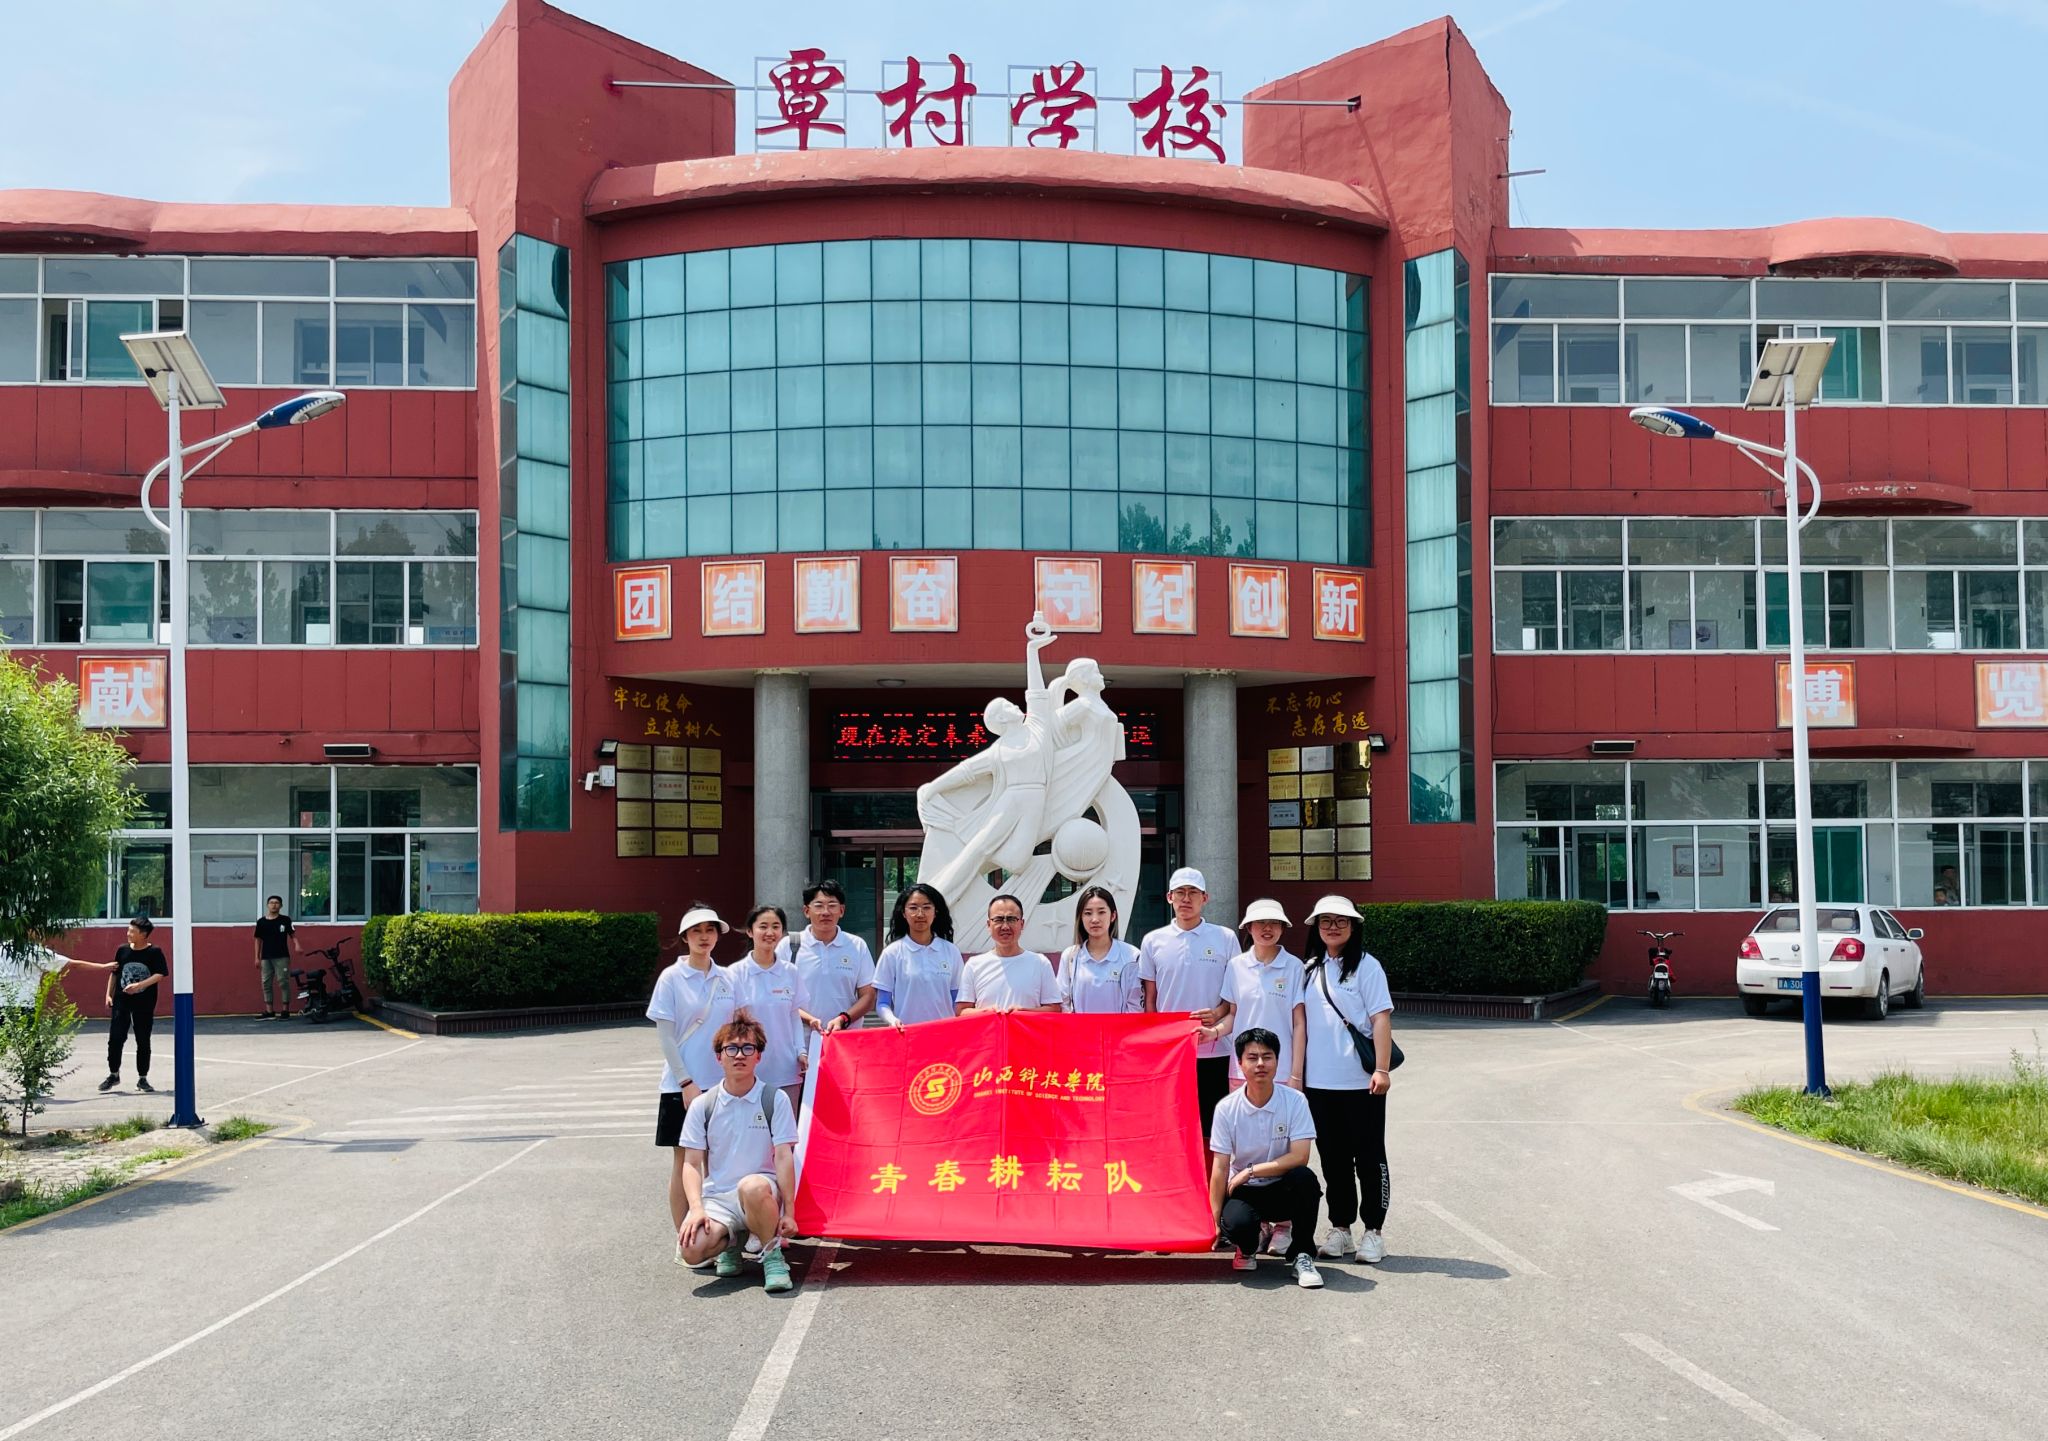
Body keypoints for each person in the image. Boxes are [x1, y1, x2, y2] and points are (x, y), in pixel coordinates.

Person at [1202, 898, 1308, 1255]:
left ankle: (1284, 1225)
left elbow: (1298, 1022)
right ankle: (1255, 1221)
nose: (1267, 929)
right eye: (1260, 923)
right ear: (1248, 928)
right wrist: (1215, 1032)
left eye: (1274, 923)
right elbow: (1233, 1015)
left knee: (1283, 1147)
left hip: (1282, 1071)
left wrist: (1296, 1074)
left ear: (1283, 928)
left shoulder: (1293, 967)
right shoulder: (1236, 966)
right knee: (1245, 1147)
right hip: (1241, 1070)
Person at [1301, 895, 1395, 1264]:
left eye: (1341, 921)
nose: (1333, 927)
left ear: (1354, 927)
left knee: (1369, 1158)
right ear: (1316, 927)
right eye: (1326, 920)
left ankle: (1374, 1231)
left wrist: (1381, 1069)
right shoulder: (1310, 969)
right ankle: (1341, 1228)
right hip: (1319, 1083)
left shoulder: (1368, 967)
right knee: (1333, 1159)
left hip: (1362, 1082)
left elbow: (1380, 1018)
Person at [676, 1015, 799, 1294]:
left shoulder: (774, 1099)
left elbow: (784, 1157)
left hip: (761, 1192)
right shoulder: (703, 1105)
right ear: (719, 1057)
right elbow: (691, 1164)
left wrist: (790, 1212)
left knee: (751, 1186)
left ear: (759, 1056)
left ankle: (772, 1256)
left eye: (748, 1048)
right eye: (731, 1048)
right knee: (691, 1250)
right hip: (719, 1198)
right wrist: (696, 1209)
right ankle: (731, 1243)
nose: (739, 1055)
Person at [649, 904, 739, 1254]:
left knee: (719, 1161)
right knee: (685, 1161)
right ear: (685, 937)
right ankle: (684, 1238)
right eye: (697, 931)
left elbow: (735, 1030)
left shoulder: (727, 978)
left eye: (710, 930)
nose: (704, 937)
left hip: (722, 1086)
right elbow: (666, 1037)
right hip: (681, 1087)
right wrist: (686, 1082)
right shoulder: (671, 978)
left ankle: (716, 1234)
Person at [1208, 1027, 1324, 1289]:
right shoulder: (1226, 1109)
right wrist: (1214, 1222)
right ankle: (1248, 1247)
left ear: (1277, 1062)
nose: (1260, 1063)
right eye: (1252, 1057)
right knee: (1237, 1224)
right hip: (1245, 1191)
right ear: (1240, 1063)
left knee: (1305, 1179)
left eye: (1267, 1056)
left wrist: (1251, 1171)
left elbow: (1300, 1156)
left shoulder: (1295, 1101)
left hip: (1281, 1187)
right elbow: (1220, 1167)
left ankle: (1302, 1255)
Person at [1139, 867, 1238, 1136]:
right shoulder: (1153, 941)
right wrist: (1156, 1041)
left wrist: (1217, 1013)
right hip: (1172, 1051)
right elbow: (1150, 1000)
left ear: (1205, 898)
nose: (1186, 899)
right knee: (1171, 1124)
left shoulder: (1225, 938)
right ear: (1169, 897)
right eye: (1180, 892)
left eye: (1193, 892)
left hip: (1215, 1048)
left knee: (1212, 1126)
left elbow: (1234, 996)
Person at [729, 905, 817, 1118]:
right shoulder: (734, 974)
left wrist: (801, 1051)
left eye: (776, 927)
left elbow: (793, 1015)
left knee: (785, 1130)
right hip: (748, 1069)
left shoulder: (790, 972)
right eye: (763, 926)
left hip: (786, 1070)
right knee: (749, 1129)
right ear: (750, 931)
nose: (770, 932)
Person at [64, 917, 169, 1093]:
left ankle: (142, 1078)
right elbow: (114, 973)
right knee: (116, 1038)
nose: (128, 934)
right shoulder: (122, 950)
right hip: (122, 1002)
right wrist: (108, 994)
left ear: (143, 934)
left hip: (144, 1003)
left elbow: (160, 974)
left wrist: (139, 985)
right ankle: (114, 1074)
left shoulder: (154, 952)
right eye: (128, 930)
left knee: (143, 1040)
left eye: (132, 931)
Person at [775, 880, 876, 1035]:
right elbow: (778, 993)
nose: (826, 912)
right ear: (806, 911)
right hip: (798, 1039)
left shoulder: (856, 946)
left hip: (843, 1038)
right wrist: (809, 1019)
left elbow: (868, 996)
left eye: (832, 905)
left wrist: (844, 1019)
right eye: (819, 905)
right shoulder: (788, 946)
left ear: (841, 910)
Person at [873, 883, 966, 1027]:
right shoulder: (892, 953)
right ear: (903, 913)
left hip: (944, 1034)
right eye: (913, 908)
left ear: (935, 912)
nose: (920, 914)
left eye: (926, 907)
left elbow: (957, 1000)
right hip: (906, 1033)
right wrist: (892, 1020)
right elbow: (882, 1003)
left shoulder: (951, 951)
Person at [957, 894, 1061, 1014]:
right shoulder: (974, 965)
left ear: (1022, 924)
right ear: (989, 925)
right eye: (998, 920)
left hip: (1025, 1027)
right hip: (989, 1027)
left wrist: (1025, 1012)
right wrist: (986, 1013)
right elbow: (961, 1011)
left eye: (1011, 919)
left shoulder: (1040, 963)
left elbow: (1054, 1009)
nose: (1005, 926)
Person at [1058, 885, 1142, 1014]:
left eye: (1101, 912)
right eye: (1088, 913)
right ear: (1081, 918)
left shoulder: (1132, 956)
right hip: (1080, 1028)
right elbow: (1063, 1003)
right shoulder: (1070, 956)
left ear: (1113, 916)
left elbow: (1136, 1007)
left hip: (1120, 1027)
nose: (1095, 919)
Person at [253, 894, 300, 1019]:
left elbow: (292, 934)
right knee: (266, 983)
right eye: (271, 903)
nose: (274, 905)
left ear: (281, 905)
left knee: (283, 982)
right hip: (266, 957)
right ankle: (269, 1011)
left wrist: (297, 945)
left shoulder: (285, 920)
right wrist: (256, 957)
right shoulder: (261, 922)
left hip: (282, 956)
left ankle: (285, 1010)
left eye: (276, 903)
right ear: (267, 905)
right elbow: (258, 940)